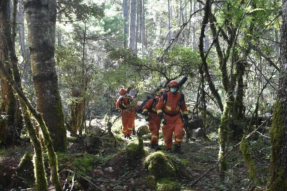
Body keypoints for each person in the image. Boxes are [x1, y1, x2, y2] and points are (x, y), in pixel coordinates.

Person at [156, 80, 188, 154]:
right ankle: (168, 148)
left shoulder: (181, 96)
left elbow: (184, 108)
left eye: (174, 87)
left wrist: (186, 118)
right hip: (167, 118)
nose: (173, 88)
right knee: (167, 136)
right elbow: (158, 107)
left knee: (179, 132)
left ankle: (177, 147)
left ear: (177, 88)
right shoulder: (165, 95)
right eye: (172, 87)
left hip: (177, 117)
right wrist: (162, 117)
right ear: (169, 87)